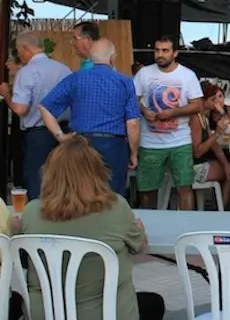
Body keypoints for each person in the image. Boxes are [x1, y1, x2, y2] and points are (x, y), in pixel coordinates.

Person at [17, 136, 165, 320]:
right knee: (154, 304)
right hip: (106, 313)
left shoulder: (31, 212)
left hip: (46, 314)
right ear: (97, 171)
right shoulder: (117, 208)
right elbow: (140, 245)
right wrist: (139, 231)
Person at [39, 39, 140, 195]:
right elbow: (132, 124)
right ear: (112, 58)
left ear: (91, 59)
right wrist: (133, 153)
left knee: (80, 193)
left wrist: (60, 136)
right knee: (112, 196)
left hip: (80, 145)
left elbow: (44, 106)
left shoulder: (76, 78)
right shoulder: (125, 82)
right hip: (113, 145)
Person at [134, 36, 203, 210]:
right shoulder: (144, 73)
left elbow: (198, 104)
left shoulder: (187, 75)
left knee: (185, 188)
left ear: (175, 53)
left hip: (180, 141)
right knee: (147, 190)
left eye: (165, 51)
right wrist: (143, 110)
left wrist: (173, 112)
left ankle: (187, 228)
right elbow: (133, 100)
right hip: (149, 142)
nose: (160, 55)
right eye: (157, 50)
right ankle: (149, 228)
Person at [0, 33, 71, 199]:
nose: (18, 55)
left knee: (37, 181)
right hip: (64, 131)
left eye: (18, 50)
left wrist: (7, 95)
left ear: (26, 48)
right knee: (62, 180)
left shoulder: (27, 72)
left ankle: (38, 220)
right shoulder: (64, 69)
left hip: (37, 135)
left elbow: (20, 109)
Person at [189, 82, 230, 208]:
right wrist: (217, 133)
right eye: (212, 99)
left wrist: (225, 164)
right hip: (192, 166)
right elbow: (197, 151)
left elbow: (214, 145)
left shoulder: (204, 117)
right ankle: (220, 210)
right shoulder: (195, 119)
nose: (215, 102)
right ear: (203, 100)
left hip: (198, 163)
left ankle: (219, 207)